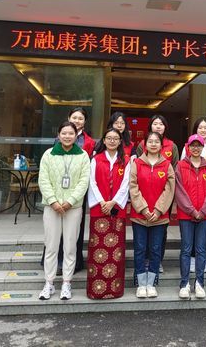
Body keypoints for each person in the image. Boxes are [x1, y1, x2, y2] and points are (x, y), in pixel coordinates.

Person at [37, 122, 90, 301]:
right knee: (51, 246)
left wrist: (70, 201)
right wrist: (53, 201)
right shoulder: (48, 154)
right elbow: (43, 180)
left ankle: (67, 283)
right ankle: (49, 283)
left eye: (71, 133)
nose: (67, 136)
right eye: (64, 133)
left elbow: (84, 181)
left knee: (70, 246)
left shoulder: (83, 156)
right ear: (58, 135)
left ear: (76, 136)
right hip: (52, 207)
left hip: (72, 208)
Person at [41, 107, 95, 275]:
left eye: (80, 118)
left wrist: (72, 199)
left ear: (85, 122)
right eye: (74, 117)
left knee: (73, 235)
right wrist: (53, 200)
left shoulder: (89, 142)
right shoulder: (55, 145)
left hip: (76, 196)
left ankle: (72, 266)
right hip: (55, 196)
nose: (77, 120)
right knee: (52, 236)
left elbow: (86, 174)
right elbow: (46, 175)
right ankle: (53, 266)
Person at [129, 131, 175, 298]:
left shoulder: (167, 165)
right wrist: (143, 208)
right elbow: (133, 187)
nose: (153, 144)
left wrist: (158, 210)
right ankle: (141, 284)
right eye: (150, 141)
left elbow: (169, 189)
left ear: (161, 145)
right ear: (144, 144)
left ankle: (152, 283)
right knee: (140, 249)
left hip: (159, 217)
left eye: (156, 141)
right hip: (139, 216)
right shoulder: (137, 163)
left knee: (155, 250)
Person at [86, 128, 130, 299]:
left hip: (116, 209)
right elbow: (92, 182)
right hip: (99, 208)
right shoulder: (96, 159)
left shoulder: (125, 160)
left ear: (120, 141)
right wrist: (102, 202)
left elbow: (126, 184)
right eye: (109, 138)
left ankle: (115, 289)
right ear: (103, 140)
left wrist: (113, 202)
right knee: (97, 251)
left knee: (116, 252)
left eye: (115, 138)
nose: (112, 141)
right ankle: (96, 290)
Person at [175, 133, 206, 299]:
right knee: (186, 249)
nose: (195, 148)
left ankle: (199, 283)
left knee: (201, 250)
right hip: (186, 215)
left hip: (204, 216)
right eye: (192, 145)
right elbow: (179, 191)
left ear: (203, 147)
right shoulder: (180, 166)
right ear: (188, 147)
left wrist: (204, 211)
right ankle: (184, 283)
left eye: (198, 145)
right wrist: (192, 211)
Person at [135, 115, 179, 273]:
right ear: (150, 126)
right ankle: (145, 260)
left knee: (161, 228)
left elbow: (174, 169)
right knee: (143, 230)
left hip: (165, 195)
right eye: (155, 123)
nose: (158, 126)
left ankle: (157, 260)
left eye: (161, 124)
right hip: (144, 194)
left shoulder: (172, 146)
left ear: (165, 127)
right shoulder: (142, 145)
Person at [180, 117, 206, 274]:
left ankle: (203, 259)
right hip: (189, 200)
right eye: (200, 127)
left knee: (205, 234)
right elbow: (182, 173)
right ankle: (190, 261)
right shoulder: (186, 149)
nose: (203, 130)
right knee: (188, 240)